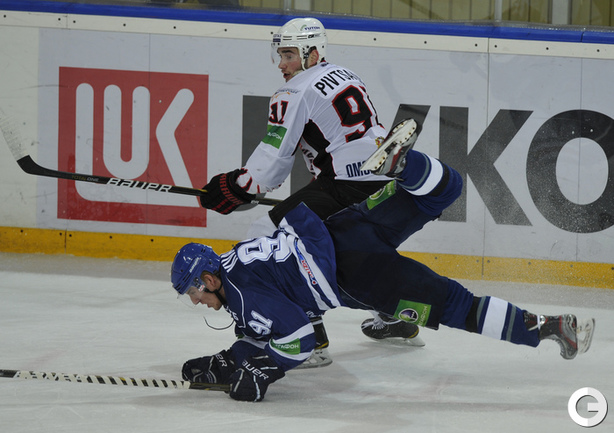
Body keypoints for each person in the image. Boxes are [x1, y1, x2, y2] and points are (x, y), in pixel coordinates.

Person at [171, 122, 595, 402]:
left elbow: (299, 338)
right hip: (343, 228)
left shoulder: (242, 297)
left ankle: (551, 328)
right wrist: (227, 360)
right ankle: (406, 166)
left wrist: (265, 370)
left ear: (209, 277)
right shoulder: (234, 265)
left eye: (194, 289)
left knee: (456, 306)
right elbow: (258, 330)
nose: (195, 300)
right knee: (441, 190)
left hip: (357, 275)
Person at [197, 17, 422, 367]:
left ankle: (310, 340)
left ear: (313, 54)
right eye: (280, 55)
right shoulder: (344, 74)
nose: (282, 65)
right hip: (382, 179)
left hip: (345, 183)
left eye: (289, 55)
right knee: (349, 254)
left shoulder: (293, 91)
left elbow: (272, 163)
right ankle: (396, 317)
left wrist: (234, 187)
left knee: (266, 235)